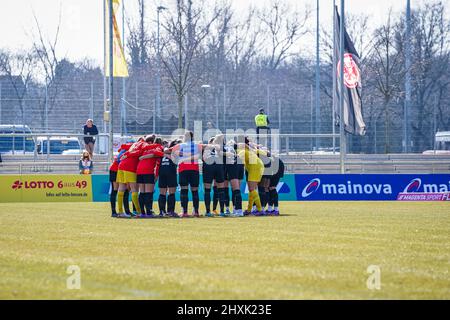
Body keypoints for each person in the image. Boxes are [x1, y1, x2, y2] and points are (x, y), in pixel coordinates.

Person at [166, 131, 203, 217]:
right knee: (195, 191)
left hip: (183, 169)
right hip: (194, 169)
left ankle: (184, 212)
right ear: (192, 137)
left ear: (184, 137)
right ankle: (196, 211)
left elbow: (167, 150)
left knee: (184, 190)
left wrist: (181, 154)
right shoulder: (198, 146)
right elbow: (200, 155)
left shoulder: (179, 146)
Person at [116, 137, 145, 218]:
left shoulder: (133, 145)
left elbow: (123, 146)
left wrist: (126, 153)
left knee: (121, 189)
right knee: (134, 190)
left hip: (121, 166)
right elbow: (139, 152)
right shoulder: (142, 145)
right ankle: (139, 212)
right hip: (130, 167)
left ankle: (120, 212)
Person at [237, 136, 266, 216]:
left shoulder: (242, 150)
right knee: (251, 190)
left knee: (251, 189)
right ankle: (249, 209)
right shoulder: (248, 149)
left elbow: (239, 160)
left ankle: (259, 209)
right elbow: (264, 152)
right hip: (258, 166)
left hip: (254, 167)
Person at [137, 135, 164, 217]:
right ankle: (149, 212)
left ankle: (142, 212)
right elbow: (157, 153)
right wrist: (164, 154)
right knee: (148, 193)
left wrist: (144, 156)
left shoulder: (146, 148)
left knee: (142, 192)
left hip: (139, 170)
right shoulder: (158, 147)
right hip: (147, 171)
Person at [202, 136, 226, 217]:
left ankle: (208, 212)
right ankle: (222, 211)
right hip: (218, 165)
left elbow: (203, 157)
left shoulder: (206, 146)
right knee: (221, 189)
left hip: (208, 164)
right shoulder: (219, 146)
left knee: (207, 190)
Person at [158, 139, 181, 217]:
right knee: (171, 193)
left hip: (162, 171)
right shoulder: (175, 151)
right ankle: (170, 211)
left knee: (162, 193)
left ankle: (162, 211)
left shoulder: (163, 151)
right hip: (171, 172)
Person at [223, 138, 244, 217]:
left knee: (232, 190)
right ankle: (236, 209)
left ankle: (234, 210)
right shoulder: (236, 152)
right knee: (236, 190)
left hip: (231, 166)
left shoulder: (225, 148)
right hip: (238, 165)